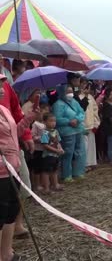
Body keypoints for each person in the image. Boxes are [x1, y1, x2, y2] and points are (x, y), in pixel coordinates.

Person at [0, 75, 37, 261]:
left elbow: (15, 132)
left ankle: (6, 253)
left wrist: (28, 120)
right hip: (0, 172)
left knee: (10, 212)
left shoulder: (4, 110)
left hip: (13, 167)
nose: (1, 88)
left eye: (1, 83)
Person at [52, 84, 86, 181]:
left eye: (71, 91)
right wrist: (69, 121)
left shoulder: (74, 102)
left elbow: (81, 112)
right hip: (67, 132)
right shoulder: (58, 104)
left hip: (78, 130)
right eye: (68, 92)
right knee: (68, 153)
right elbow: (57, 119)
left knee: (79, 151)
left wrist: (77, 120)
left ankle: (78, 172)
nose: (70, 94)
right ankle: (67, 174)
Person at [40, 113, 65, 193]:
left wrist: (60, 149)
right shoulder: (45, 133)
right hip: (48, 155)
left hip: (55, 155)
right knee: (46, 171)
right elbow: (45, 145)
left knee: (55, 170)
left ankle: (55, 184)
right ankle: (46, 188)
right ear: (45, 122)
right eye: (50, 121)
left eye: (54, 121)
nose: (53, 123)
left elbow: (58, 142)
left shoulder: (56, 131)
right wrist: (56, 150)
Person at [79, 81, 99, 171]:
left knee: (91, 145)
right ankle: (84, 164)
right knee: (84, 146)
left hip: (91, 124)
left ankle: (92, 162)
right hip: (83, 124)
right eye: (83, 84)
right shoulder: (77, 97)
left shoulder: (91, 97)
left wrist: (96, 122)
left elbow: (95, 110)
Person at [30, 104, 50, 192]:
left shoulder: (45, 124)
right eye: (43, 113)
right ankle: (36, 184)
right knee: (37, 168)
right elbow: (33, 136)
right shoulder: (35, 124)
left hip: (45, 149)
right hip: (38, 149)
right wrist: (41, 138)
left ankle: (43, 183)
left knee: (43, 167)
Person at [100, 88, 112, 167]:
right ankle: (111, 161)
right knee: (111, 145)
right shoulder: (107, 105)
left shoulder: (111, 104)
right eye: (110, 94)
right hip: (109, 127)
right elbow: (111, 117)